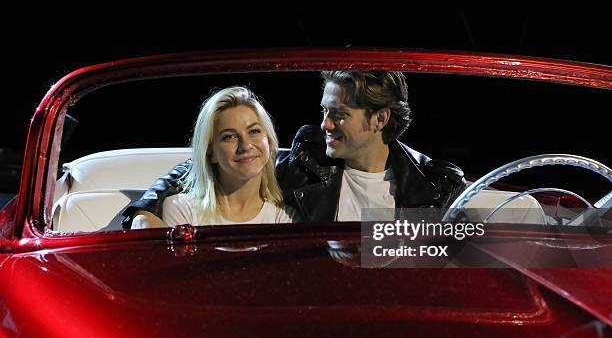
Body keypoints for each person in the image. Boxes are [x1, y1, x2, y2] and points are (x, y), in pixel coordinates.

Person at [124, 71, 465, 228]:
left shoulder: (432, 187)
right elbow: (214, 167)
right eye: (324, 112)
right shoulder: (307, 165)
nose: (325, 125)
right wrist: (143, 210)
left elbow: (451, 260)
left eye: (340, 115)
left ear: (380, 119)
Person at [131, 86, 296, 229]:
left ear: (270, 141)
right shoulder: (181, 209)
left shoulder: (287, 217)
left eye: (254, 131)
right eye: (229, 136)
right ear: (211, 153)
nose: (245, 145)